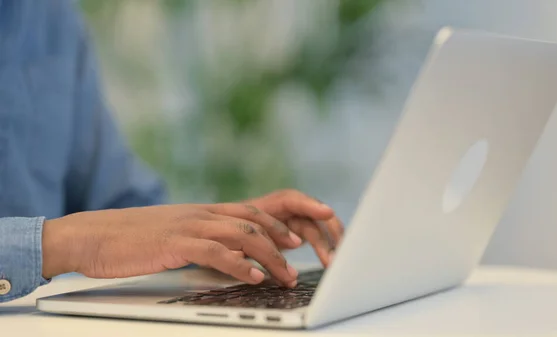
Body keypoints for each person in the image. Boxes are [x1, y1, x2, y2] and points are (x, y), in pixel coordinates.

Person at [0, 0, 343, 303]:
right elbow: (93, 236)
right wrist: (67, 244)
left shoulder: (48, 15)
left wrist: (223, 230)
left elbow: (119, 207)